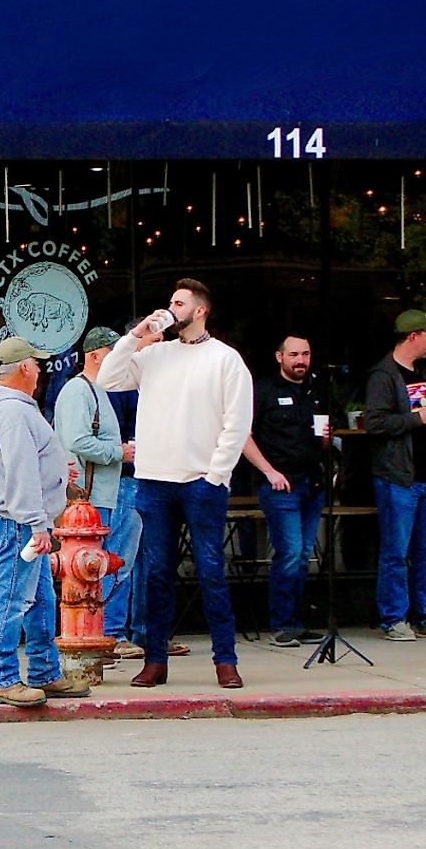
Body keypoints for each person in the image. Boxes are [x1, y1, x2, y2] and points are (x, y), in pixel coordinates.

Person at [94, 279, 254, 689]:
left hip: (201, 480)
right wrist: (136, 335)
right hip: (155, 480)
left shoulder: (226, 359)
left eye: (178, 303)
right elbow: (107, 378)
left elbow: (237, 423)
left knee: (211, 571)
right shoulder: (156, 354)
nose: (170, 307)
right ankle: (155, 660)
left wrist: (216, 476)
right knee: (157, 574)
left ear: (199, 310)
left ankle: (225, 660)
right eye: (170, 301)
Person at [0, 336, 92, 708]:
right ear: (24, 367)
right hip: (18, 522)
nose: (40, 370)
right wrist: (37, 525)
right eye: (37, 364)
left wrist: (56, 473)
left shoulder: (8, 408)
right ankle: (2, 678)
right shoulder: (13, 411)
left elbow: (27, 464)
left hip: (18, 520)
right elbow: (20, 471)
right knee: (14, 597)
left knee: (39, 597)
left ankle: (44, 671)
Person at [56, 326, 143, 661]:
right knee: (101, 566)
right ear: (94, 355)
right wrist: (119, 452)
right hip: (93, 497)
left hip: (101, 494)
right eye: (112, 353)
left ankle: (106, 633)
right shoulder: (79, 391)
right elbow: (77, 441)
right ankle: (110, 633)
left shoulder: (96, 391)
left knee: (104, 565)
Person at [363, 311, 426, 642]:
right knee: (396, 552)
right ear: (412, 336)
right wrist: (416, 419)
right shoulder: (383, 375)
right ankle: (394, 617)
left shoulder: (422, 371)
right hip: (398, 477)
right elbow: (375, 423)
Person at [241, 334, 324, 647]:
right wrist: (268, 471)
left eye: (305, 354)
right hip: (280, 485)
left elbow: (323, 436)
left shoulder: (316, 390)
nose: (300, 360)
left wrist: (326, 439)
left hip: (312, 483)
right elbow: (243, 436)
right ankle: (282, 624)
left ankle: (297, 622)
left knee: (303, 555)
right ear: (279, 357)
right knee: (289, 553)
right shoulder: (263, 390)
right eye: (294, 354)